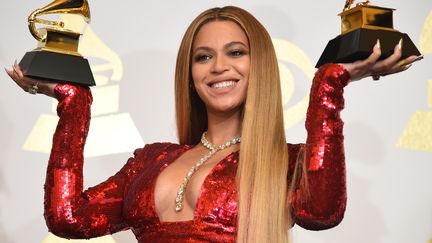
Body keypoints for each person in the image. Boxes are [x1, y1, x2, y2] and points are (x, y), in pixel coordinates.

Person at [5, 6, 419, 243]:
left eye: (236, 52)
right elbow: (68, 218)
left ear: (260, 66)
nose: (219, 66)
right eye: (203, 57)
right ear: (190, 73)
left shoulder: (287, 162)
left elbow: (322, 213)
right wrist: (74, 106)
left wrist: (329, 86)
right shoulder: (150, 160)